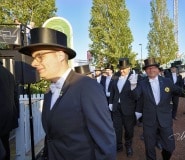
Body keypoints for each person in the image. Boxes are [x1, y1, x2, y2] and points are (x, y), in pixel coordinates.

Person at [19, 27, 116, 159]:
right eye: (33, 58)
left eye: (40, 56)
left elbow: (106, 143)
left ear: (60, 55)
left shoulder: (87, 87)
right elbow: (52, 137)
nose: (34, 63)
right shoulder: (49, 92)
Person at [130, 58, 185, 160]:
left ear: (158, 69)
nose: (151, 70)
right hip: (149, 120)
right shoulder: (142, 83)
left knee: (170, 146)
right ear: (145, 71)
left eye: (153, 68)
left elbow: (182, 93)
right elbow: (135, 96)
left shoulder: (167, 82)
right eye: (148, 68)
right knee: (149, 147)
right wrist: (133, 85)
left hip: (165, 119)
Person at [108, 58, 137, 157]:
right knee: (117, 129)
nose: (122, 71)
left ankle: (128, 146)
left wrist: (134, 85)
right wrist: (111, 102)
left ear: (129, 68)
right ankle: (118, 146)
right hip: (116, 107)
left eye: (124, 68)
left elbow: (137, 95)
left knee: (129, 129)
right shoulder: (116, 76)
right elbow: (112, 90)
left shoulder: (134, 77)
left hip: (128, 108)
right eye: (120, 68)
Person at [0, 61, 19, 160]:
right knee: (5, 144)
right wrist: (16, 115)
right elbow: (16, 96)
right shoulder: (9, 74)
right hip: (8, 117)